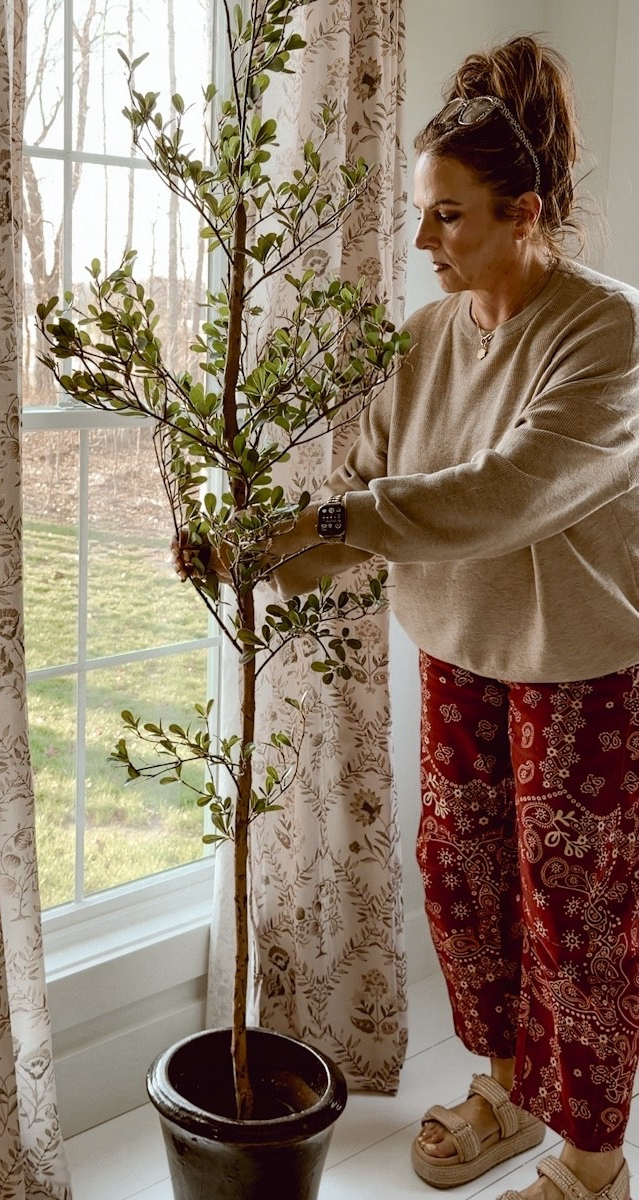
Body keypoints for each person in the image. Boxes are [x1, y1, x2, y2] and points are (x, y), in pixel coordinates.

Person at [177, 33, 639, 1200]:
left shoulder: (608, 331)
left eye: (449, 217)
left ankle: (591, 1162)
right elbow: (372, 492)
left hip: (579, 664)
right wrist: (257, 551)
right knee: (462, 877)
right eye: (422, 214)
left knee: (571, 911)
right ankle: (507, 1088)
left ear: (523, 211)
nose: (422, 240)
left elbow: (503, 496)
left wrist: (328, 526)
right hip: (456, 651)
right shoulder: (426, 339)